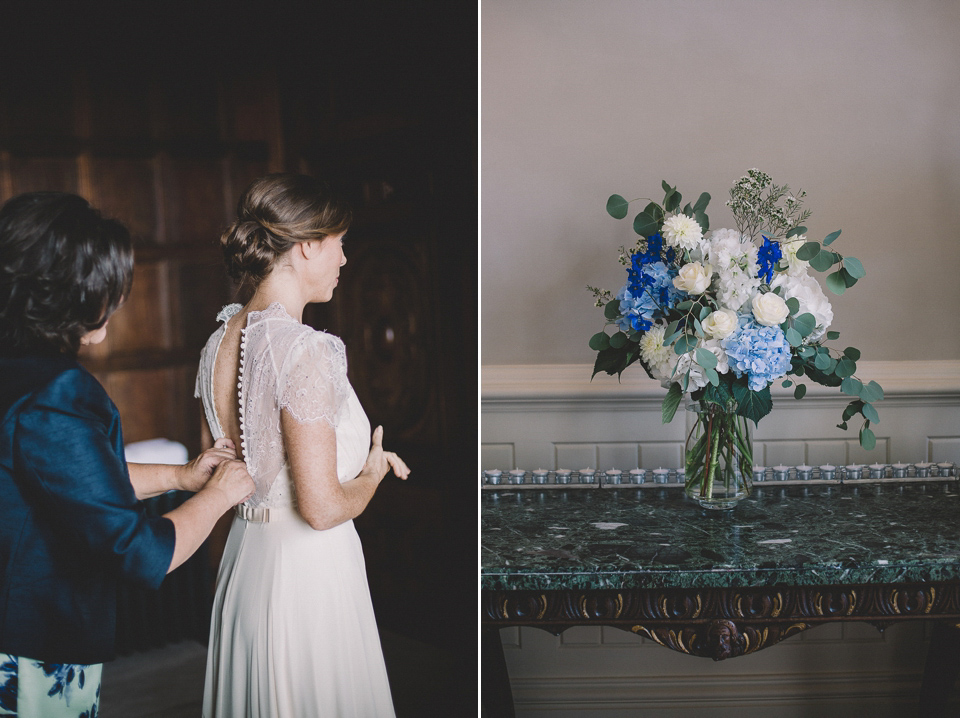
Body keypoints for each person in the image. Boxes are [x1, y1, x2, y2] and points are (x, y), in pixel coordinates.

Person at [0, 192, 255, 717]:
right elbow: (140, 553)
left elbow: (69, 482)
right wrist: (220, 495)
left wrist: (183, 477)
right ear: (70, 295)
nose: (115, 306)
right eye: (108, 292)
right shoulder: (56, 393)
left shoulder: (15, 375)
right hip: (28, 647)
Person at [198, 173, 410, 717]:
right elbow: (319, 509)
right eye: (339, 243)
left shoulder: (216, 345)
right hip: (307, 579)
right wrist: (372, 472)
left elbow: (214, 474)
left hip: (246, 569)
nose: (344, 259)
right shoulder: (306, 350)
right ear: (308, 245)